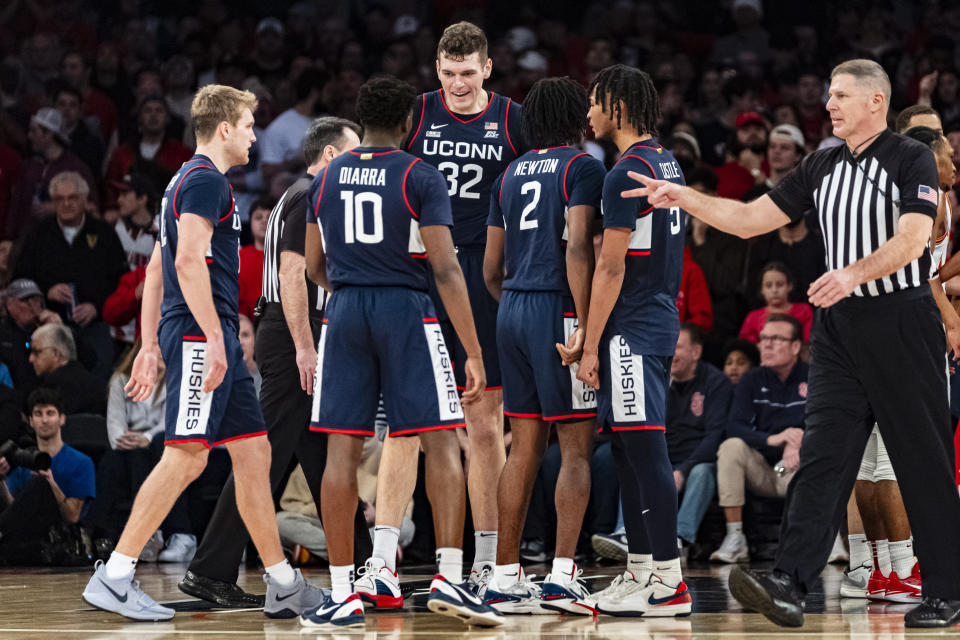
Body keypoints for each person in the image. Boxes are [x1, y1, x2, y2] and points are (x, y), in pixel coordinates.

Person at [623, 59, 960, 628]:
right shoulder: (820, 163)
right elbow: (752, 218)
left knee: (920, 457)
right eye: (828, 95)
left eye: (840, 96)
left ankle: (947, 588)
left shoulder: (911, 157)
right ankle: (789, 580)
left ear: (876, 102)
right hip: (838, 329)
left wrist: (853, 273)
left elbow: (913, 237)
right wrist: (684, 197)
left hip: (901, 320)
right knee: (824, 451)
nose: (829, 105)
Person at [81, 84, 324, 622]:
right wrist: (215, 338)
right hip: (199, 336)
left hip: (195, 334)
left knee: (254, 452)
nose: (253, 135)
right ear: (223, 130)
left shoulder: (182, 181)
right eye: (248, 126)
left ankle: (282, 581)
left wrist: (148, 345)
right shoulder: (206, 181)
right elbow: (186, 264)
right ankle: (116, 575)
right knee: (187, 455)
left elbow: (155, 271)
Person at [301, 75, 501, 628]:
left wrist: (347, 282)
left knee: (341, 453)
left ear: (361, 122)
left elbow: (313, 265)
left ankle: (342, 591)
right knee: (437, 439)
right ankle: (449, 576)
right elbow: (445, 267)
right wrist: (474, 349)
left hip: (342, 311)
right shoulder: (420, 174)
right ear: (411, 123)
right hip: (406, 311)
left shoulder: (328, 175)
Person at [179, 115, 371, 609]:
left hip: (289, 333)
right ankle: (209, 570)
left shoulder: (298, 193)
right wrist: (306, 346)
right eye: (354, 153)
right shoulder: (310, 194)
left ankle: (367, 563)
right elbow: (291, 273)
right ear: (331, 156)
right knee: (258, 459)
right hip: (291, 336)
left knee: (322, 457)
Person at [392, 21, 525, 588]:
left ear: (487, 68)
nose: (458, 84)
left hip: (484, 270)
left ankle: (488, 558)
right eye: (448, 73)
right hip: (423, 270)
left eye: (468, 73)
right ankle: (385, 557)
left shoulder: (513, 118)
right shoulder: (417, 112)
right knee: (412, 423)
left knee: (485, 420)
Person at [478, 76, 603, 615]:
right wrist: (581, 320)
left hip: (511, 307)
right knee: (575, 447)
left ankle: (504, 574)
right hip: (558, 308)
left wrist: (514, 303)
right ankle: (562, 574)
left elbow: (488, 269)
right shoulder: (582, 167)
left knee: (523, 444)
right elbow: (577, 244)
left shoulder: (507, 175)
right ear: (578, 117)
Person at [577, 64, 692, 618]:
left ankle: (668, 581)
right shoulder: (663, 160)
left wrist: (588, 341)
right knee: (626, 446)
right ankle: (642, 572)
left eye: (596, 102)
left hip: (634, 324)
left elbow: (609, 267)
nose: (589, 113)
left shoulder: (623, 171)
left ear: (618, 107)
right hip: (657, 314)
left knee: (645, 447)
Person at [710, 315, 808, 564]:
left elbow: (828, 425)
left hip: (798, 468)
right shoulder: (751, 379)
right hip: (763, 469)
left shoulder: (814, 376)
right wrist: (773, 439)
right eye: (764, 338)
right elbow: (734, 427)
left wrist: (798, 442)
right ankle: (735, 539)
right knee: (730, 447)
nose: (766, 344)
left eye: (776, 338)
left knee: (822, 454)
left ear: (796, 346)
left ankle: (825, 541)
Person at [14, 170, 128, 380]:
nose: (66, 204)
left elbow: (121, 282)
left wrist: (97, 307)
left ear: (85, 199)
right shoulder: (38, 234)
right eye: (60, 199)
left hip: (95, 325)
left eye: (72, 198)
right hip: (48, 324)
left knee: (99, 376)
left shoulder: (104, 234)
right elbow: (20, 278)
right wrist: (47, 291)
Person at [0, 388, 95, 564]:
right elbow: (15, 510)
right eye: (38, 414)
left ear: (62, 419)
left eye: (50, 413)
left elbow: (72, 516)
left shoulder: (82, 462)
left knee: (41, 484)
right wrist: (2, 482)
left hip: (56, 535)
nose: (44, 420)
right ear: (30, 421)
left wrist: (51, 483)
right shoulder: (24, 458)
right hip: (23, 536)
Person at [667, 323, 733, 555]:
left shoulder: (715, 382)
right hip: (667, 459)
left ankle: (679, 538)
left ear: (696, 352)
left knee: (701, 472)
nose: (670, 353)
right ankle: (625, 533)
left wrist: (683, 469)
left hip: (701, 460)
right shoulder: (660, 380)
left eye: (677, 347)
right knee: (636, 465)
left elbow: (715, 436)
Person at [29, 323, 105, 415]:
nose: (31, 359)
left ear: (56, 354)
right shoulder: (93, 381)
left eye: (37, 352)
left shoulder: (53, 390)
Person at [739, 262, 814, 344]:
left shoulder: (804, 311)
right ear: (762, 290)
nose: (774, 290)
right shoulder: (753, 318)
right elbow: (746, 348)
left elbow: (808, 343)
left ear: (790, 286)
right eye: (768, 285)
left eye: (780, 284)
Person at [237, 198, 271, 321]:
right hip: (246, 327)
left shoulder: (288, 257)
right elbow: (238, 301)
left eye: (270, 217)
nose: (264, 221)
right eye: (258, 217)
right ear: (250, 223)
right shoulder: (240, 257)